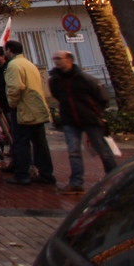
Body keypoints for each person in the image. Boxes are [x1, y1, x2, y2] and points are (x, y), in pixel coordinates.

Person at [48, 50, 116, 194]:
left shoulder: (85, 78)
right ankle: (76, 182)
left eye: (59, 58)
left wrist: (94, 111)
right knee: (73, 152)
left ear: (69, 60)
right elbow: (57, 95)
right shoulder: (55, 80)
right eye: (55, 59)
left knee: (104, 151)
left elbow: (102, 98)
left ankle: (114, 179)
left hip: (90, 119)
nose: (56, 61)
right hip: (70, 120)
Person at [4, 39, 56, 186]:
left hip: (23, 110)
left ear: (9, 50)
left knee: (21, 143)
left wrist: (12, 104)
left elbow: (15, 87)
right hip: (37, 109)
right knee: (40, 144)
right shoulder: (29, 64)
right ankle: (46, 174)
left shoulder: (14, 65)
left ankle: (22, 174)